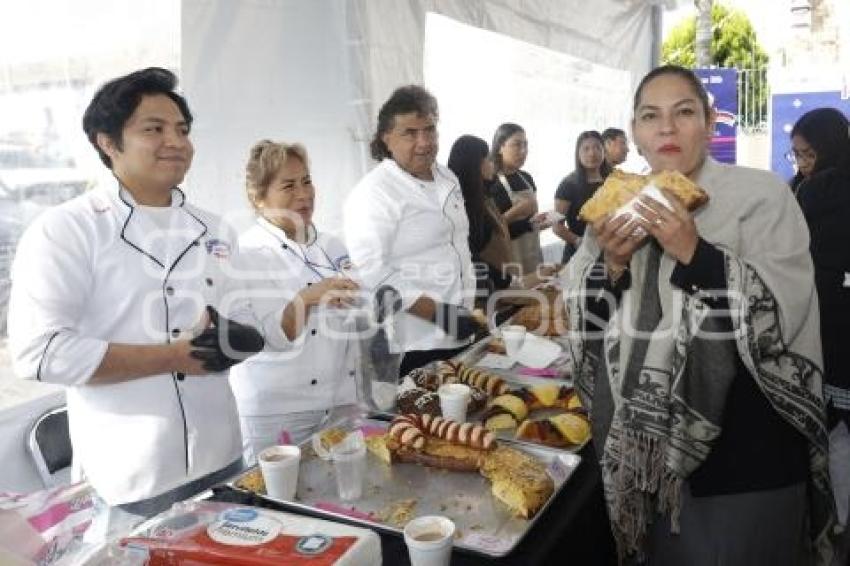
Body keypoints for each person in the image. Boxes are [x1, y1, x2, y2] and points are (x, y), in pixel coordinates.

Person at [563, 65, 833, 565]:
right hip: (646, 463)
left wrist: (699, 255)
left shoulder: (761, 196)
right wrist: (612, 267)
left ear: (710, 124)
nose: (666, 128)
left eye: (684, 112)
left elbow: (787, 317)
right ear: (637, 131)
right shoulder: (616, 209)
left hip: (747, 463)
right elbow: (585, 326)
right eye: (651, 116)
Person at [6, 68, 280, 524]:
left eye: (183, 130)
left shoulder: (214, 228)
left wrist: (238, 338)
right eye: (154, 129)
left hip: (223, 456)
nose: (176, 141)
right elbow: (40, 353)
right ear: (107, 143)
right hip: (131, 478)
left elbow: (245, 316)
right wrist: (172, 356)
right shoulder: (68, 229)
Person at [229, 140, 360, 459]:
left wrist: (357, 300)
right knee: (278, 502)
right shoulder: (244, 255)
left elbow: (357, 307)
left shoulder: (331, 244)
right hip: (278, 412)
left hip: (340, 401)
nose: (304, 194)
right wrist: (307, 299)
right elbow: (256, 339)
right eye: (288, 186)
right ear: (258, 198)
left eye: (307, 181)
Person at [344, 85, 477, 377]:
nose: (424, 142)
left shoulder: (447, 175)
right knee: (425, 422)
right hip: (415, 342)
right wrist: (436, 312)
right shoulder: (374, 193)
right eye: (410, 133)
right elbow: (371, 272)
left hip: (461, 328)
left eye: (430, 130)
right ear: (386, 138)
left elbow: (456, 244)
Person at [789, 107, 850, 534]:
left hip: (833, 324)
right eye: (797, 156)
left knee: (838, 432)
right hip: (831, 317)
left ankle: (840, 521)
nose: (802, 165)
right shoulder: (805, 188)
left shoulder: (817, 193)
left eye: (807, 155)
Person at [489, 123, 543, 275]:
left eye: (526, 145)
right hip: (510, 259)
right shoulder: (491, 181)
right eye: (517, 145)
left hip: (533, 254)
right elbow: (491, 231)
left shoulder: (526, 177)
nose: (523, 151)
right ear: (500, 147)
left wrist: (541, 221)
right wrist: (517, 210)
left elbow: (529, 221)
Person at [553, 130, 612, 264]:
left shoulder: (613, 180)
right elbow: (557, 226)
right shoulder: (568, 184)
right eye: (586, 149)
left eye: (597, 147)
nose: (592, 153)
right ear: (578, 154)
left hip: (612, 251)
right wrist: (579, 242)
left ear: (604, 151)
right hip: (579, 253)